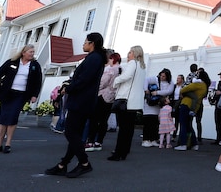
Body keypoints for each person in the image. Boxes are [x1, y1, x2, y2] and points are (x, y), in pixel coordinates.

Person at [45, 32, 107, 178]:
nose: (83, 44)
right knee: (76, 135)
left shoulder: (94, 58)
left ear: (92, 43)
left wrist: (69, 88)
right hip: (83, 100)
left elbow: (84, 80)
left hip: (81, 101)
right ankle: (62, 165)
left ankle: (84, 163)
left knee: (70, 132)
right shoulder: (94, 58)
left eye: (85, 41)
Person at [0, 44, 43, 154]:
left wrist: (34, 95)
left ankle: (8, 143)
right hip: (7, 93)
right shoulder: (11, 62)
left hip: (21, 95)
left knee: (12, 117)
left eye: (33, 52)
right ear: (23, 52)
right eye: (30, 51)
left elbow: (38, 81)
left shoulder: (35, 65)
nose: (32, 54)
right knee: (3, 118)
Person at [109, 45, 147, 161]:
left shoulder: (132, 64)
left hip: (126, 100)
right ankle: (124, 151)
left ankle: (118, 153)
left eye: (130, 52)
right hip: (135, 102)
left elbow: (127, 76)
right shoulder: (142, 67)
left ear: (135, 54)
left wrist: (116, 80)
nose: (128, 54)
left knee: (123, 129)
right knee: (129, 129)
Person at [85, 51, 120, 152]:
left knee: (94, 119)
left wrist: (94, 89)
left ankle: (90, 141)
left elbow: (102, 82)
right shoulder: (121, 70)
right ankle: (99, 142)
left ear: (112, 59)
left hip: (102, 95)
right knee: (104, 120)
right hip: (111, 97)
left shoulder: (110, 69)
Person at [175, 69, 209, 151]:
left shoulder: (198, 84)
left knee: (183, 124)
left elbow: (184, 89)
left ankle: (183, 144)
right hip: (194, 107)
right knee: (189, 125)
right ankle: (194, 143)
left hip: (186, 104)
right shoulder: (205, 87)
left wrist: (182, 93)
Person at [142, 68, 173, 147]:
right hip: (150, 104)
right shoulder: (155, 79)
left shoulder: (170, 83)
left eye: (164, 76)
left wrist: (157, 92)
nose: (162, 77)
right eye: (161, 76)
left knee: (155, 123)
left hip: (158, 105)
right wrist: (146, 90)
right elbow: (146, 80)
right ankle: (146, 139)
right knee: (148, 121)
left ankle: (153, 139)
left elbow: (169, 91)